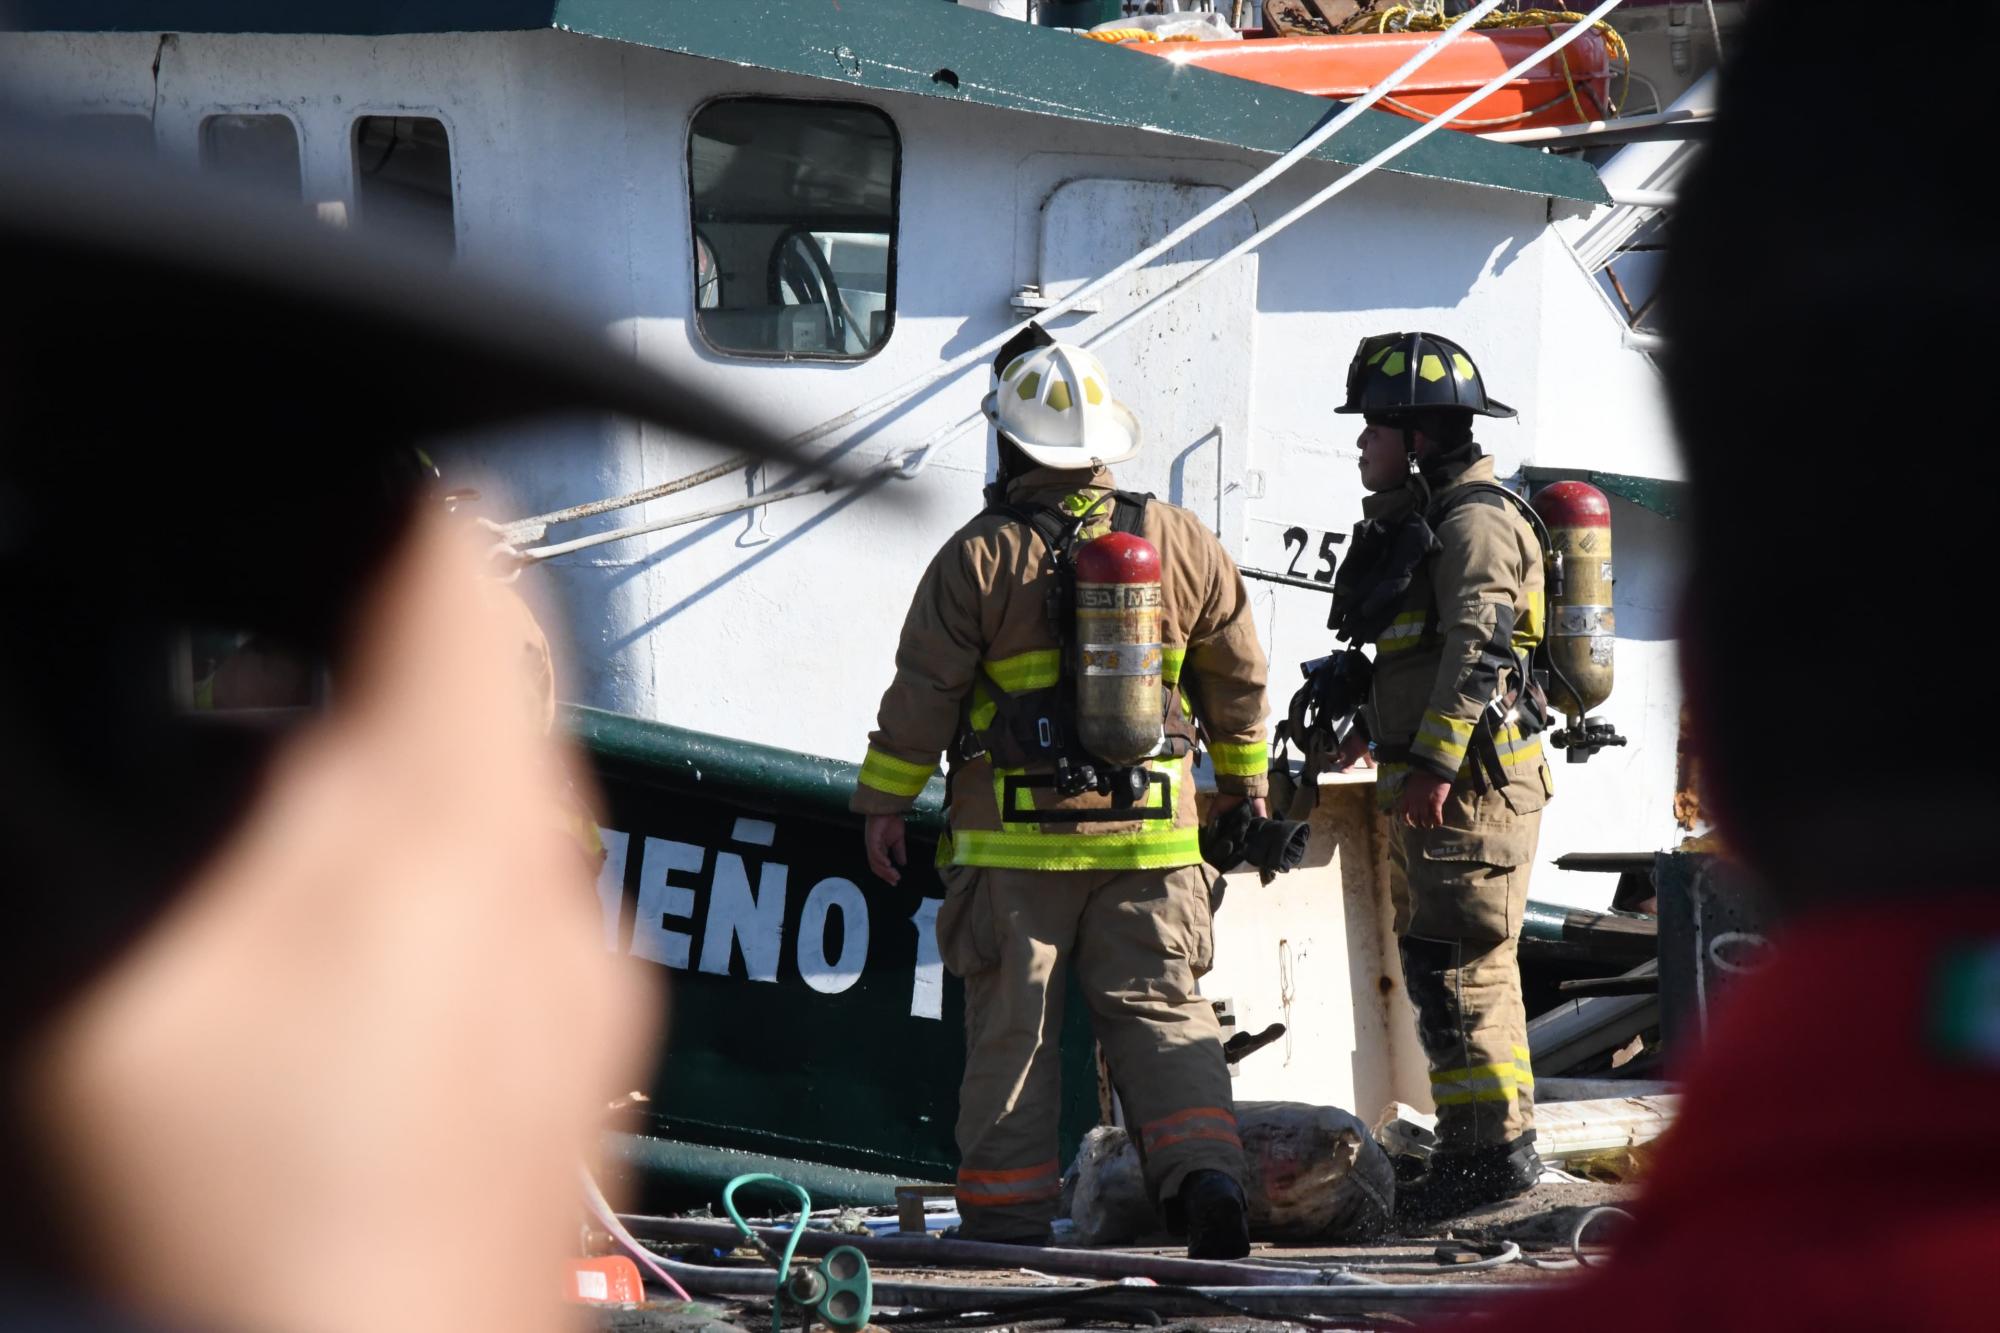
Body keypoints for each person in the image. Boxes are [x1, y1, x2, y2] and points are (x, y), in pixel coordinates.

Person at [852, 334, 1271, 1257]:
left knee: (1016, 1041)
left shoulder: (979, 556)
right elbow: (1239, 673)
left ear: (1009, 446)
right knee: (1165, 1017)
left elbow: (922, 692)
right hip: (1156, 844)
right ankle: (1207, 1177)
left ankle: (1006, 1228)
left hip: (1016, 854)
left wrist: (885, 800)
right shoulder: (1179, 539)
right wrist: (1245, 786)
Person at [1325, 332, 1553, 1228]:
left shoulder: (1476, 522)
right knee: (1456, 962)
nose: (1360, 445)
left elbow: (1481, 653)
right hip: (1447, 784)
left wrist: (1432, 763)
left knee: (1457, 966)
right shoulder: (1439, 518)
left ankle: (1487, 1157)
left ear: (1416, 436)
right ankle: (1488, 1139)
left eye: (1373, 427)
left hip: (1468, 790)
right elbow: (1422, 653)